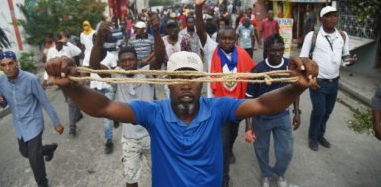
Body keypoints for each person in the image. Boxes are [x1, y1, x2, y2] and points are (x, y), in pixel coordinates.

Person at [45, 50, 318, 187]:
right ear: (168, 85)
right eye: (179, 79)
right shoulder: (153, 112)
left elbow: (261, 104)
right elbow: (104, 108)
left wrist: (297, 86)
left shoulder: (219, 108)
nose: (186, 85)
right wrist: (70, 86)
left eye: (193, 79)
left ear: (202, 84)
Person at [90, 14, 165, 187]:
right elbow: (94, 65)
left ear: (137, 61)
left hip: (151, 136)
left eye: (131, 60)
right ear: (119, 63)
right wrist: (99, 39)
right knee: (131, 180)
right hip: (129, 139)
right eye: (124, 61)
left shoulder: (147, 72)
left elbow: (159, 58)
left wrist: (156, 31)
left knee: (160, 176)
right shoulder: (117, 75)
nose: (128, 63)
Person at [194, 0, 255, 187]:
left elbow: (253, 76)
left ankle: (228, 150)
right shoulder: (212, 50)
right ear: (218, 39)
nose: (226, 42)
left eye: (230, 39)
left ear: (235, 39)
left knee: (231, 138)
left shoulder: (242, 53)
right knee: (221, 144)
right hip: (217, 106)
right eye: (223, 39)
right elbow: (200, 29)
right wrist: (198, 7)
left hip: (236, 106)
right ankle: (223, 181)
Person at [0, 51, 64, 187]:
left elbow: (45, 102)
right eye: (3, 65)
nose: (8, 68)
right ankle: (48, 149)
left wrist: (57, 123)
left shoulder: (30, 79)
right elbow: (5, 103)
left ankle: (43, 184)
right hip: (19, 125)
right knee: (24, 152)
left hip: (34, 122)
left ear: (16, 63)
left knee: (34, 160)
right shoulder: (0, 81)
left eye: (10, 63)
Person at [244, 34, 301, 187]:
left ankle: (280, 173)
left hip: (283, 116)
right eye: (273, 50)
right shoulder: (258, 70)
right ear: (266, 51)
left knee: (286, 151)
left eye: (280, 50)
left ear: (284, 50)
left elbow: (294, 91)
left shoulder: (290, 67)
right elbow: (248, 99)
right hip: (261, 118)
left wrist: (296, 112)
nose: (277, 53)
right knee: (261, 149)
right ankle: (266, 175)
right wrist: (248, 125)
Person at [299, 6, 357, 151]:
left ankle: (320, 134)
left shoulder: (342, 36)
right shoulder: (312, 36)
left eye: (335, 16)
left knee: (328, 111)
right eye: (329, 16)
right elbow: (303, 59)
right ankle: (312, 137)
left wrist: (350, 61)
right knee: (319, 110)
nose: (333, 19)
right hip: (318, 81)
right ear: (321, 19)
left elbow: (345, 58)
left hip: (334, 81)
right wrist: (310, 79)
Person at [44, 33, 83, 136]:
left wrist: (68, 43)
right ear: (54, 43)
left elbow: (79, 51)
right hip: (60, 81)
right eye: (58, 42)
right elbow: (48, 65)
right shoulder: (51, 51)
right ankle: (78, 113)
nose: (59, 44)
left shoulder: (67, 48)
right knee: (70, 100)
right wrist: (45, 80)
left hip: (71, 78)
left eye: (61, 42)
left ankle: (72, 127)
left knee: (71, 101)